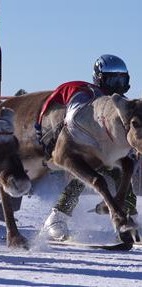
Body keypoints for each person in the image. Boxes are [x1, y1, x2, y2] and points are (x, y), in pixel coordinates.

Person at [42, 54, 138, 241]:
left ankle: (130, 218)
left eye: (121, 78)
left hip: (110, 153)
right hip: (81, 150)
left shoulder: (124, 104)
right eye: (113, 79)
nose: (118, 84)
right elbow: (71, 120)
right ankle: (57, 217)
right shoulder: (89, 95)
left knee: (126, 171)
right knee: (87, 174)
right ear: (100, 78)